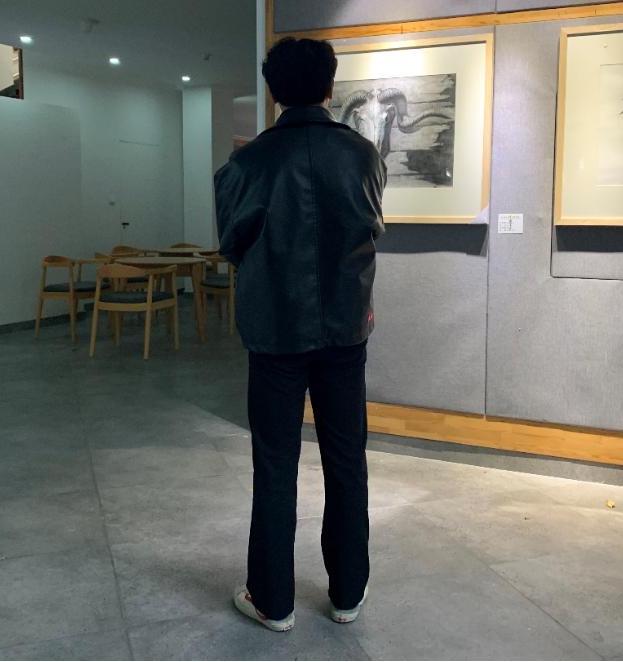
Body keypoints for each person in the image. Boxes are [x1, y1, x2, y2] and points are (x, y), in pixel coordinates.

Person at [213, 36, 387, 632]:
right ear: (330, 86)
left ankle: (273, 600)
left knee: (274, 464)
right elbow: (370, 228)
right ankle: (347, 592)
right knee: (347, 460)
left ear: (272, 91)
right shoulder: (362, 155)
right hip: (345, 330)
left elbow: (231, 243)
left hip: (274, 331)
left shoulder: (247, 163)